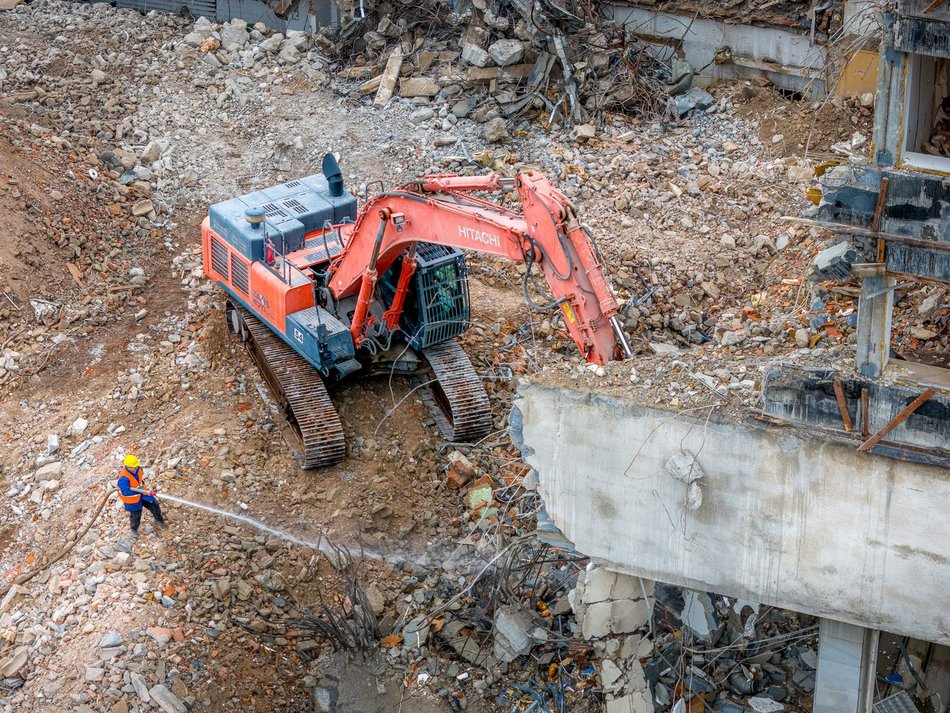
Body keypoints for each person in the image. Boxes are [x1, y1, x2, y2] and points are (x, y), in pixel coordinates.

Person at [117, 455, 167, 537]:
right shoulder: (123, 478)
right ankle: (134, 529)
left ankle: (159, 520)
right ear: (128, 467)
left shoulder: (138, 469)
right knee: (136, 515)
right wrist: (140, 490)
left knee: (154, 504)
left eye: (136, 466)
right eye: (134, 467)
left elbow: (140, 481)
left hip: (142, 493)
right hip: (132, 499)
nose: (136, 468)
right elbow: (126, 492)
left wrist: (144, 489)